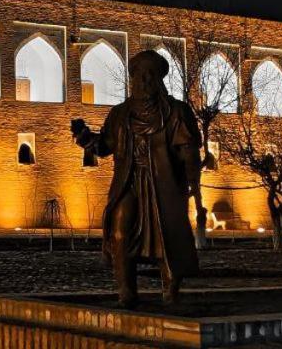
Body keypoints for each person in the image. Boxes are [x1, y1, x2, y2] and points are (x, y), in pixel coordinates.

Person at [72, 50, 201, 307]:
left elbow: (188, 149)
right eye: (140, 76)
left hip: (163, 184)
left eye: (151, 75)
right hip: (129, 181)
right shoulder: (120, 114)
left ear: (159, 80)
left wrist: (191, 180)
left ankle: (170, 290)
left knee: (167, 236)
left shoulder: (175, 112)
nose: (145, 81)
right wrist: (86, 138)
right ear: (132, 79)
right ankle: (126, 292)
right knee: (119, 229)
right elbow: (105, 146)